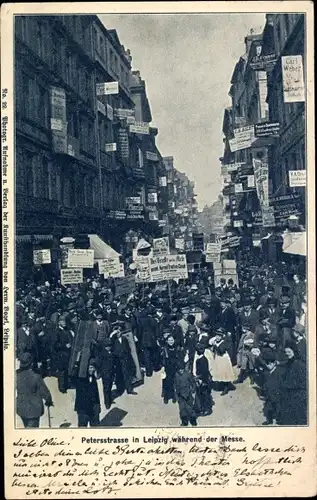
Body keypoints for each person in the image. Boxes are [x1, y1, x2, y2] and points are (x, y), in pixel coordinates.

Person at [16, 352, 53, 428]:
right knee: (32, 431)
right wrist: (48, 400)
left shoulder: (17, 375)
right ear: (31, 363)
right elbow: (45, 392)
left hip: (21, 409)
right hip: (34, 410)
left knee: (27, 427)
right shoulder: (36, 376)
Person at [277, 347, 307, 425]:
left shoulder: (299, 363)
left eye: (289, 352)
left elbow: (302, 380)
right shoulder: (291, 361)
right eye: (285, 352)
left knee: (299, 414)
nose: (287, 354)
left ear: (294, 351)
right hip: (291, 391)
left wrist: (287, 385)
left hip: (298, 392)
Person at [72, 358, 101, 427]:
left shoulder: (93, 378)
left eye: (93, 368)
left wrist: (98, 406)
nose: (92, 370)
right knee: (82, 429)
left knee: (95, 429)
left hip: (94, 408)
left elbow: (96, 393)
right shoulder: (80, 378)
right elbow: (73, 376)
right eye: (90, 367)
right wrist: (77, 362)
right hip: (83, 409)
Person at [111, 323, 137, 396]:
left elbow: (128, 349)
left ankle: (129, 389)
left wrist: (127, 357)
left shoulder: (124, 339)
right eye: (117, 331)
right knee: (119, 375)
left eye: (119, 331)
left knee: (127, 375)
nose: (118, 333)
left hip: (125, 359)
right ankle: (119, 390)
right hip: (118, 360)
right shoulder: (113, 340)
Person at [209, 328, 235, 396]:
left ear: (222, 336)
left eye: (219, 336)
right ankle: (223, 385)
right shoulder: (216, 341)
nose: (217, 337)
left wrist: (215, 345)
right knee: (220, 372)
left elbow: (221, 351)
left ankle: (226, 388)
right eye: (217, 335)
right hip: (218, 358)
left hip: (223, 359)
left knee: (224, 373)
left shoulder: (224, 342)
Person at [161, 335, 184, 404]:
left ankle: (174, 396)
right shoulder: (165, 349)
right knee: (167, 383)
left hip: (175, 368)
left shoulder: (177, 348)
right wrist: (163, 367)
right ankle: (166, 397)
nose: (171, 342)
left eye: (172, 340)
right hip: (167, 368)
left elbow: (180, 358)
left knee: (175, 382)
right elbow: (163, 359)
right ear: (167, 341)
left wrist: (180, 367)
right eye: (169, 340)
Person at [54, 316, 73, 393]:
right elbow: (55, 345)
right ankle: (62, 388)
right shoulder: (57, 332)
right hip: (61, 354)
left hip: (68, 354)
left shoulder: (67, 330)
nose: (64, 323)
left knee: (67, 370)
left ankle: (68, 384)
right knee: (61, 371)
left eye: (65, 321)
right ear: (59, 323)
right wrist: (64, 346)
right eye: (62, 321)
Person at [174, 361, 197, 426]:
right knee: (182, 409)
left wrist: (193, 389)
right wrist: (176, 396)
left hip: (188, 393)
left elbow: (192, 382)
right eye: (179, 370)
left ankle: (193, 420)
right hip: (180, 395)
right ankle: (184, 421)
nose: (180, 371)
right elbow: (175, 386)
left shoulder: (187, 374)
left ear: (184, 369)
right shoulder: (176, 375)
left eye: (182, 369)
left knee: (190, 408)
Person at [193, 343, 213, 416]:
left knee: (204, 396)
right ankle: (203, 408)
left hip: (203, 380)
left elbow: (204, 372)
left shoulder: (202, 360)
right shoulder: (202, 359)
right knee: (202, 395)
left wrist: (199, 378)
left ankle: (207, 409)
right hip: (203, 379)